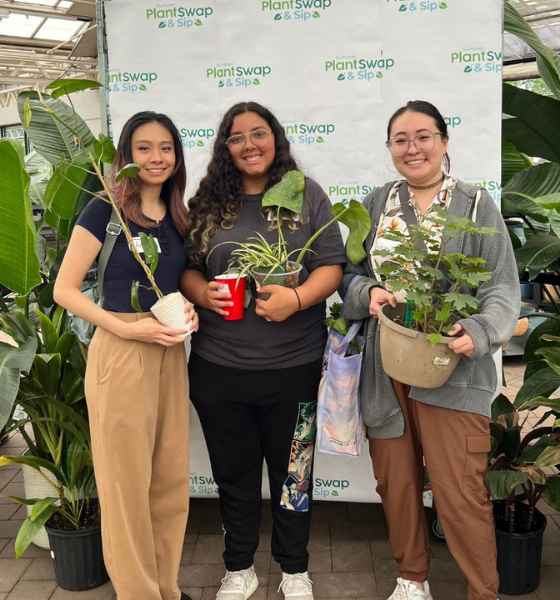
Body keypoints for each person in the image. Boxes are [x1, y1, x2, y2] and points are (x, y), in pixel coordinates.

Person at [341, 100, 520, 600]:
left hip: (453, 366)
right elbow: (350, 277)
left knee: (460, 490)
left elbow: (503, 287)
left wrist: (481, 331)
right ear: (390, 149)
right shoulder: (377, 204)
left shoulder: (477, 205)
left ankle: (482, 590)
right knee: (396, 485)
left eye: (423, 136)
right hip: (388, 367)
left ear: (444, 141)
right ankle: (411, 578)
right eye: (400, 139)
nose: (412, 147)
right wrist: (366, 294)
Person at [182, 101, 346, 600]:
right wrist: (200, 292)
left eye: (259, 133)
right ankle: (239, 569)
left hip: (293, 367)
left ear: (275, 139)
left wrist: (296, 298)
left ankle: (295, 569)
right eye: (237, 137)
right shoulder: (207, 204)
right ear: (224, 147)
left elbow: (332, 265)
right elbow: (187, 268)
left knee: (294, 474)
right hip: (219, 370)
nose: (249, 145)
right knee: (233, 477)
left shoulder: (305, 194)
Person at [54, 111, 198, 600]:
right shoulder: (105, 211)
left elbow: (175, 287)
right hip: (121, 354)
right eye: (144, 148)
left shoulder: (179, 216)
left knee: (169, 483)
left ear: (177, 157)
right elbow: (66, 290)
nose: (156, 158)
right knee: (125, 489)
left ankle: (166, 588)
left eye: (166, 148)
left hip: (169, 356)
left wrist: (190, 313)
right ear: (126, 156)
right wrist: (127, 329)